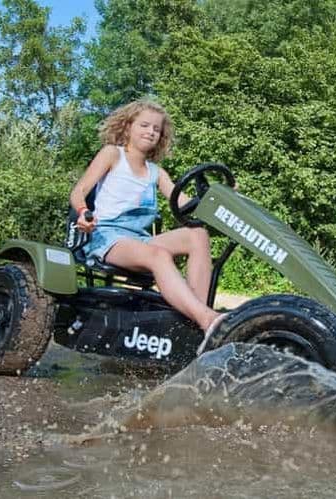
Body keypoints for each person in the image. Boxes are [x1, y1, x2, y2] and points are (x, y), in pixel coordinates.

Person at [69, 99, 225, 335]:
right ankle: (206, 319)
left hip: (139, 239)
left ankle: (193, 321)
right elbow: (78, 192)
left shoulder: (157, 172)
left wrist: (221, 197)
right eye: (144, 125)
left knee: (198, 235)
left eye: (156, 129)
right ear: (128, 126)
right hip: (107, 235)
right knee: (159, 255)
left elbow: (186, 205)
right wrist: (83, 213)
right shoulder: (112, 155)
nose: (150, 132)